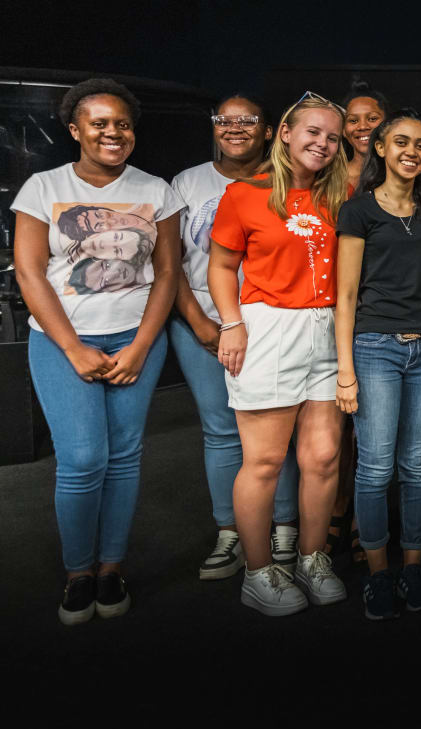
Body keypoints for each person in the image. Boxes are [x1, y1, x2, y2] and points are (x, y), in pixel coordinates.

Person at [13, 78, 182, 625]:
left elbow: (167, 273)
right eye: (100, 122)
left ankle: (111, 568)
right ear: (75, 129)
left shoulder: (157, 190)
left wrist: (141, 346)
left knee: (125, 457)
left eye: (123, 123)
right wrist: (74, 348)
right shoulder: (43, 186)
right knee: (84, 459)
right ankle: (77, 571)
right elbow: (29, 273)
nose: (114, 132)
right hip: (62, 343)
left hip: (135, 341)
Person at [209, 91, 352, 614]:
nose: (323, 143)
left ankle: (312, 559)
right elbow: (222, 267)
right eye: (312, 131)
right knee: (265, 460)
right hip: (269, 326)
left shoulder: (340, 194)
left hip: (328, 327)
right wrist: (231, 325)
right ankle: (258, 572)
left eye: (333, 136)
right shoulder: (246, 193)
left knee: (321, 457)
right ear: (285, 133)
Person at [170, 94, 301, 581]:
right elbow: (172, 264)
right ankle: (230, 532)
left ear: (269, 131)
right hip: (202, 323)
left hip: (272, 325)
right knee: (222, 432)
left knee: (277, 433)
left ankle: (284, 526)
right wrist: (202, 324)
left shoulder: (290, 180)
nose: (235, 128)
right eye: (224, 120)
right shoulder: (188, 182)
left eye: (248, 119)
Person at [334, 108, 421, 619]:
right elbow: (347, 293)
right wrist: (345, 371)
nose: (411, 152)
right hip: (374, 346)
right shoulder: (359, 211)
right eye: (400, 142)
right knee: (376, 467)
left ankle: (413, 567)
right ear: (380, 148)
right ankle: (378, 574)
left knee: (417, 466)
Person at [330, 79, 389, 560]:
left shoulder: (395, 167)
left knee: (369, 424)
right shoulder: (330, 169)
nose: (362, 126)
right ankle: (337, 509)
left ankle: (364, 519)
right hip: (333, 296)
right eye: (353, 118)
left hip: (378, 304)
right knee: (338, 426)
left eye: (372, 117)